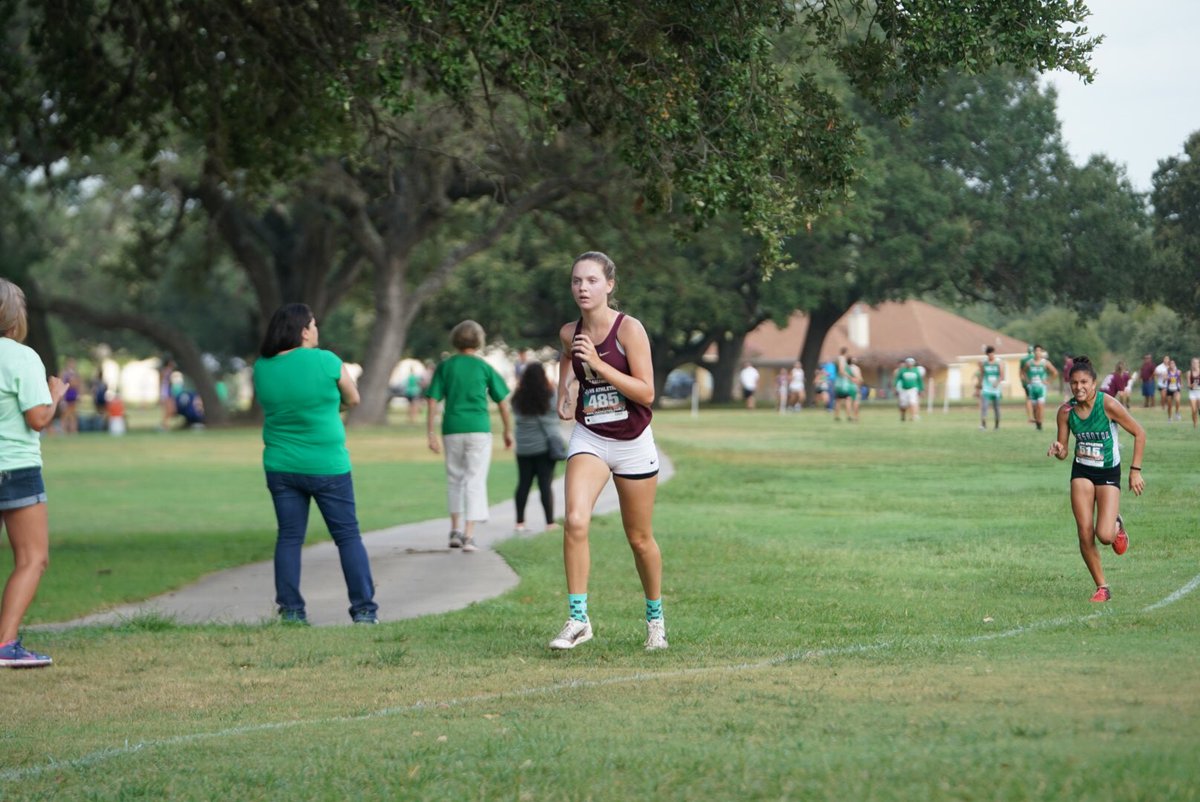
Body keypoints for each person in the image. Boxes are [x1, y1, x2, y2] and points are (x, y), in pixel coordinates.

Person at [549, 251, 667, 652]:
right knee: (576, 520)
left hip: (633, 443)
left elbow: (647, 393)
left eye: (592, 281)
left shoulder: (629, 330)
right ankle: (578, 619)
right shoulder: (570, 331)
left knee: (639, 539)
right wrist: (565, 390)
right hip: (591, 438)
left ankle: (655, 621)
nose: (583, 287)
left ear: (610, 285)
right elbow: (568, 357)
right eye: (577, 281)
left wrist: (599, 366)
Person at [252, 303, 379, 625]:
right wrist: (325, 406)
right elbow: (353, 399)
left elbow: (283, 405)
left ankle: (292, 612)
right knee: (348, 536)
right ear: (304, 330)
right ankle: (364, 610)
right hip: (327, 465)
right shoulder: (327, 360)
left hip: (281, 465)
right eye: (314, 324)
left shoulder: (262, 367)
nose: (317, 329)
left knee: (290, 537)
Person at [0, 278, 67, 667]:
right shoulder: (22, 357)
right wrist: (55, 394)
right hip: (15, 468)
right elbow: (38, 418)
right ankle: (5, 644)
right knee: (32, 557)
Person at [1047, 355, 1145, 603]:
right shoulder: (1065, 411)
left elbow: (1139, 433)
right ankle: (1102, 587)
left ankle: (1116, 526)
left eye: (1084, 382)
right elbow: (1065, 450)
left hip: (1108, 473)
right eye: (1074, 383)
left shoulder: (1108, 405)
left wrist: (1135, 470)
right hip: (1082, 471)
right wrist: (1059, 450)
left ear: (1094, 383)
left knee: (1104, 535)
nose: (1079, 387)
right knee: (1084, 531)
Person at [425, 320, 513, 553]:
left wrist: (430, 433)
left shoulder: (445, 366)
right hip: (478, 429)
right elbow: (503, 401)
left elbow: (432, 399)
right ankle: (469, 535)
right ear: (479, 340)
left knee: (455, 479)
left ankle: (454, 530)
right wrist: (507, 430)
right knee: (474, 479)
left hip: (452, 428)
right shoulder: (483, 367)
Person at [511, 361, 561, 533]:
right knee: (545, 485)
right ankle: (549, 522)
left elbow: (516, 415)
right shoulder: (549, 394)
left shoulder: (517, 397)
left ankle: (519, 522)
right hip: (544, 447)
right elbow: (556, 413)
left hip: (523, 448)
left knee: (523, 484)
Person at [1020, 344, 1058, 431]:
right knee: (1034, 408)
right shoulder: (1029, 363)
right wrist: (1027, 381)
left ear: (1042, 352)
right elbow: (1023, 372)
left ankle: (1040, 423)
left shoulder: (1045, 363)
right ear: (1033, 352)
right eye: (1036, 351)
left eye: (1039, 351)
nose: (1038, 353)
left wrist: (1048, 381)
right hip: (1032, 387)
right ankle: (1037, 422)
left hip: (1041, 387)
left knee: (1040, 406)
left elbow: (1055, 372)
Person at [977, 346, 1005, 429]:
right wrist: (979, 385)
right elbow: (982, 374)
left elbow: (1002, 375)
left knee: (996, 407)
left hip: (996, 389)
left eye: (992, 353)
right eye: (989, 354)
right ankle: (983, 424)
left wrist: (997, 382)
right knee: (984, 407)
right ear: (987, 354)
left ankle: (997, 425)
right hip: (986, 388)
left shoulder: (999, 362)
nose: (991, 355)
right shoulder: (984, 363)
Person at [893, 356, 924, 422]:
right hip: (904, 389)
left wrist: (921, 389)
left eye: (911, 362)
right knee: (903, 405)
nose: (910, 364)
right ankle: (903, 416)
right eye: (908, 362)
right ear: (906, 363)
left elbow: (919, 380)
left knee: (913, 402)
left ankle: (913, 416)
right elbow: (897, 379)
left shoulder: (916, 370)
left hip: (913, 389)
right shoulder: (902, 370)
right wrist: (895, 387)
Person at [832, 349, 858, 422]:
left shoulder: (838, 359)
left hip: (838, 383)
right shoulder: (842, 359)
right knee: (848, 399)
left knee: (838, 400)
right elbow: (841, 371)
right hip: (842, 384)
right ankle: (848, 416)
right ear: (845, 353)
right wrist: (850, 377)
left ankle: (836, 416)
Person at [1019, 345, 1035, 424]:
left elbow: (1021, 371)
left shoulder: (1023, 359)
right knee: (1035, 399)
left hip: (1027, 382)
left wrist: (1023, 381)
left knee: (1028, 398)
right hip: (1035, 382)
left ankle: (1030, 417)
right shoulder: (1036, 358)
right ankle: (1034, 416)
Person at [1164, 358, 1182, 422]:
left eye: (1173, 363)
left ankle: (1177, 413)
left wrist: (1180, 384)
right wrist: (1166, 378)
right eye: (1170, 363)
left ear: (1175, 364)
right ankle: (1169, 418)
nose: (1172, 364)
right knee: (1169, 406)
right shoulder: (1167, 372)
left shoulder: (1178, 372)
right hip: (1169, 389)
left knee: (1177, 400)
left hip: (1176, 389)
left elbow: (1180, 379)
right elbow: (1164, 381)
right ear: (1169, 365)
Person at [1189, 357, 1200, 430]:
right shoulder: (1189, 373)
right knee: (1193, 410)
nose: (1195, 364)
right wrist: (1193, 385)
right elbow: (1188, 385)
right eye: (1193, 363)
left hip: (1199, 391)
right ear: (1191, 364)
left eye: (1196, 363)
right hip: (1192, 392)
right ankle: (1195, 423)